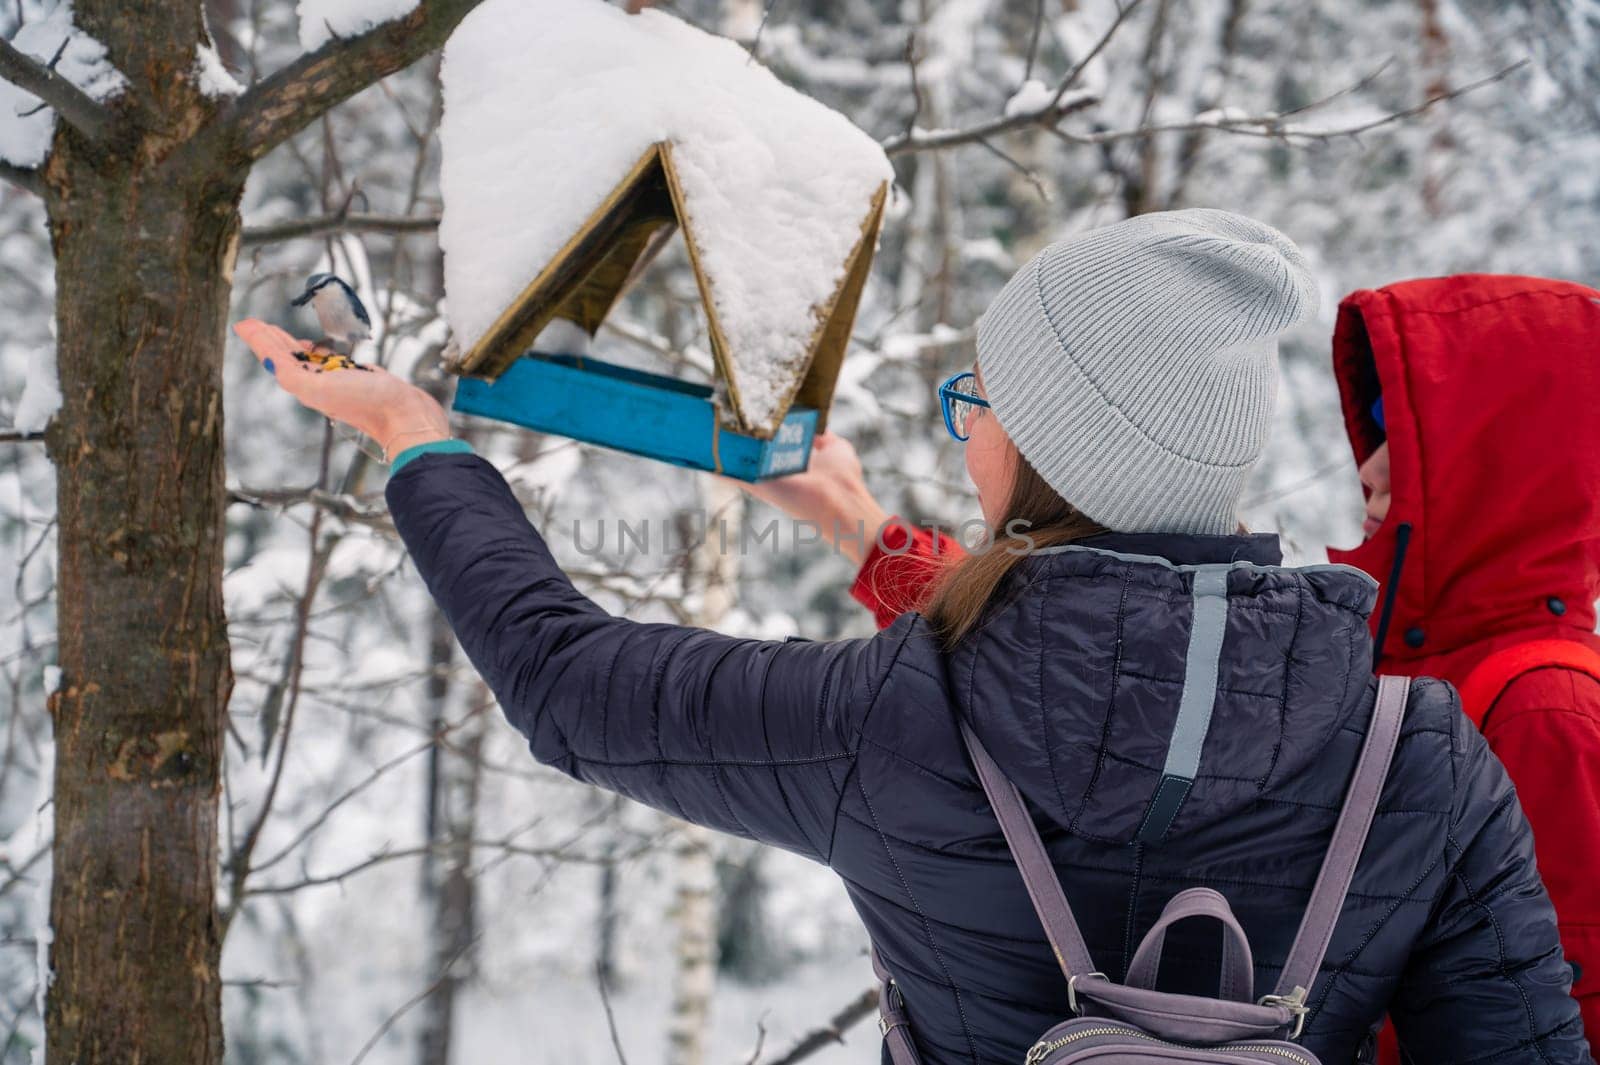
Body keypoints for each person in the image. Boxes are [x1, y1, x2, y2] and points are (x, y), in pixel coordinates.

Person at [234, 210, 1587, 1065]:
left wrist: (414, 438)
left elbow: (564, 681)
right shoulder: (1425, 755)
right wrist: (863, 528)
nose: (971, 429)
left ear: (1051, 444)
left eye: (980, 401)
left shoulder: (898, 720)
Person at [1323, 273, 1600, 1061]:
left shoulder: (1544, 707)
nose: (1368, 467)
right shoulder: (1418, 657)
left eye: (1403, 431)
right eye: (1373, 425)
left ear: (1501, 457)